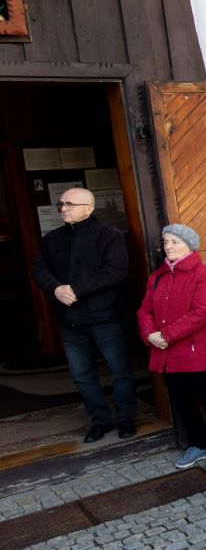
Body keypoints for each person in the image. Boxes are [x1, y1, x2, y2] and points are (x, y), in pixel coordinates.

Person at [33, 187, 137, 443]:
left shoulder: (109, 235)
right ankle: (99, 422)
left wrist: (76, 289)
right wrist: (55, 289)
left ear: (89, 208)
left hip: (105, 317)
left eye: (69, 204)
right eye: (61, 204)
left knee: (120, 371)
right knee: (82, 375)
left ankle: (125, 420)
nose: (63, 208)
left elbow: (115, 271)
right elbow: (39, 268)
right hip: (70, 319)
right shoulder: (53, 238)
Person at [137, 225, 206, 469]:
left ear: (189, 245)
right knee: (181, 401)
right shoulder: (157, 277)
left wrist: (165, 335)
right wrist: (150, 335)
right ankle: (198, 445)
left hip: (194, 351)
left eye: (175, 242)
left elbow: (202, 313)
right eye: (166, 242)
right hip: (166, 352)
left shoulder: (203, 273)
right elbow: (145, 310)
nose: (168, 247)